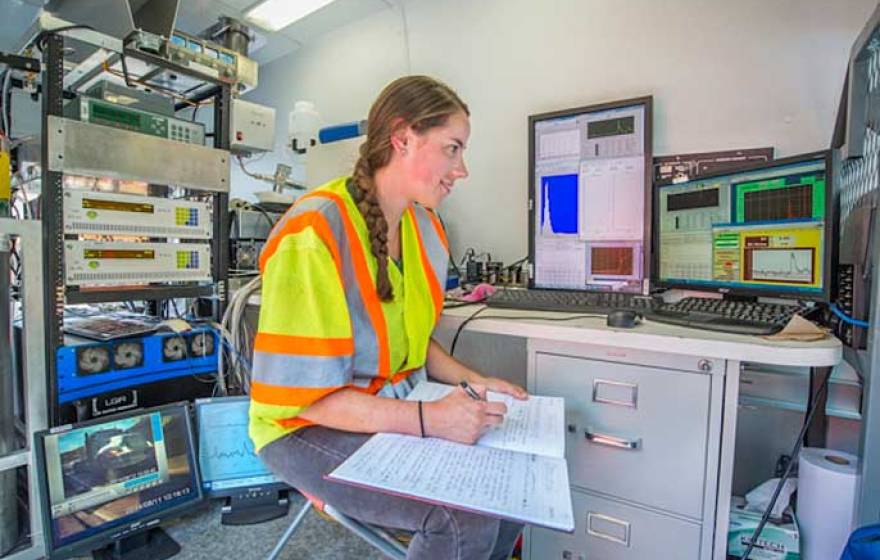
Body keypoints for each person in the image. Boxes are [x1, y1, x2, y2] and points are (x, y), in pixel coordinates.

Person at [249, 75, 528, 559]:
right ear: (403, 138)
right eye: (452, 149)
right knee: (461, 520)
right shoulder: (315, 229)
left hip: (390, 405)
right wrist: (430, 419)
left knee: (511, 489)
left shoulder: (425, 227)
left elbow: (413, 341)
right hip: (304, 428)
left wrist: (475, 380)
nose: (461, 170)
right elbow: (307, 398)